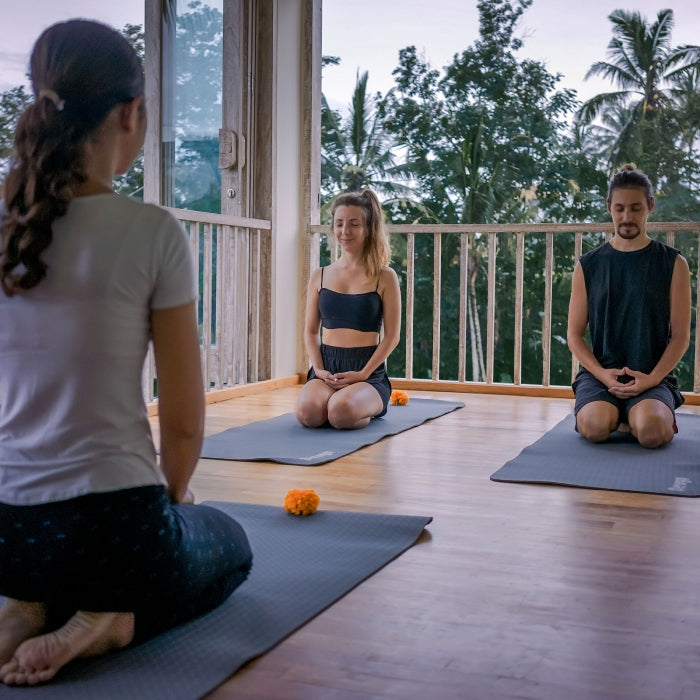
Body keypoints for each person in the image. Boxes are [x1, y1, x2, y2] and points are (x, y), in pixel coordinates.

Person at [0, 20, 252, 686]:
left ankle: (23, 606)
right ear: (130, 113)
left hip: (8, 532)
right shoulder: (152, 231)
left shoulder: (5, 228)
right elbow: (185, 418)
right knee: (231, 545)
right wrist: (169, 500)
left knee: (43, 560)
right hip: (113, 527)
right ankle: (109, 619)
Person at [567, 163, 691, 449]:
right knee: (594, 428)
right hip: (601, 375)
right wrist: (601, 374)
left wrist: (651, 380)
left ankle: (642, 415)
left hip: (651, 374)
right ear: (609, 206)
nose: (627, 216)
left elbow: (681, 336)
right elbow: (574, 335)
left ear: (650, 206)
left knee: (652, 434)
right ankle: (617, 414)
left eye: (636, 208)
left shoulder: (673, 263)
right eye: (620, 208)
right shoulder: (588, 265)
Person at [296, 189, 401, 429]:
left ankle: (359, 405)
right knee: (308, 414)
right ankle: (335, 402)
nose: (345, 231)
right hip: (327, 367)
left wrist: (364, 373)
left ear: (368, 229)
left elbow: (392, 336)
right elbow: (311, 332)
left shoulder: (385, 277)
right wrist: (319, 369)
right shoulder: (319, 276)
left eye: (354, 224)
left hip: (367, 372)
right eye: (339, 224)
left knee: (339, 413)